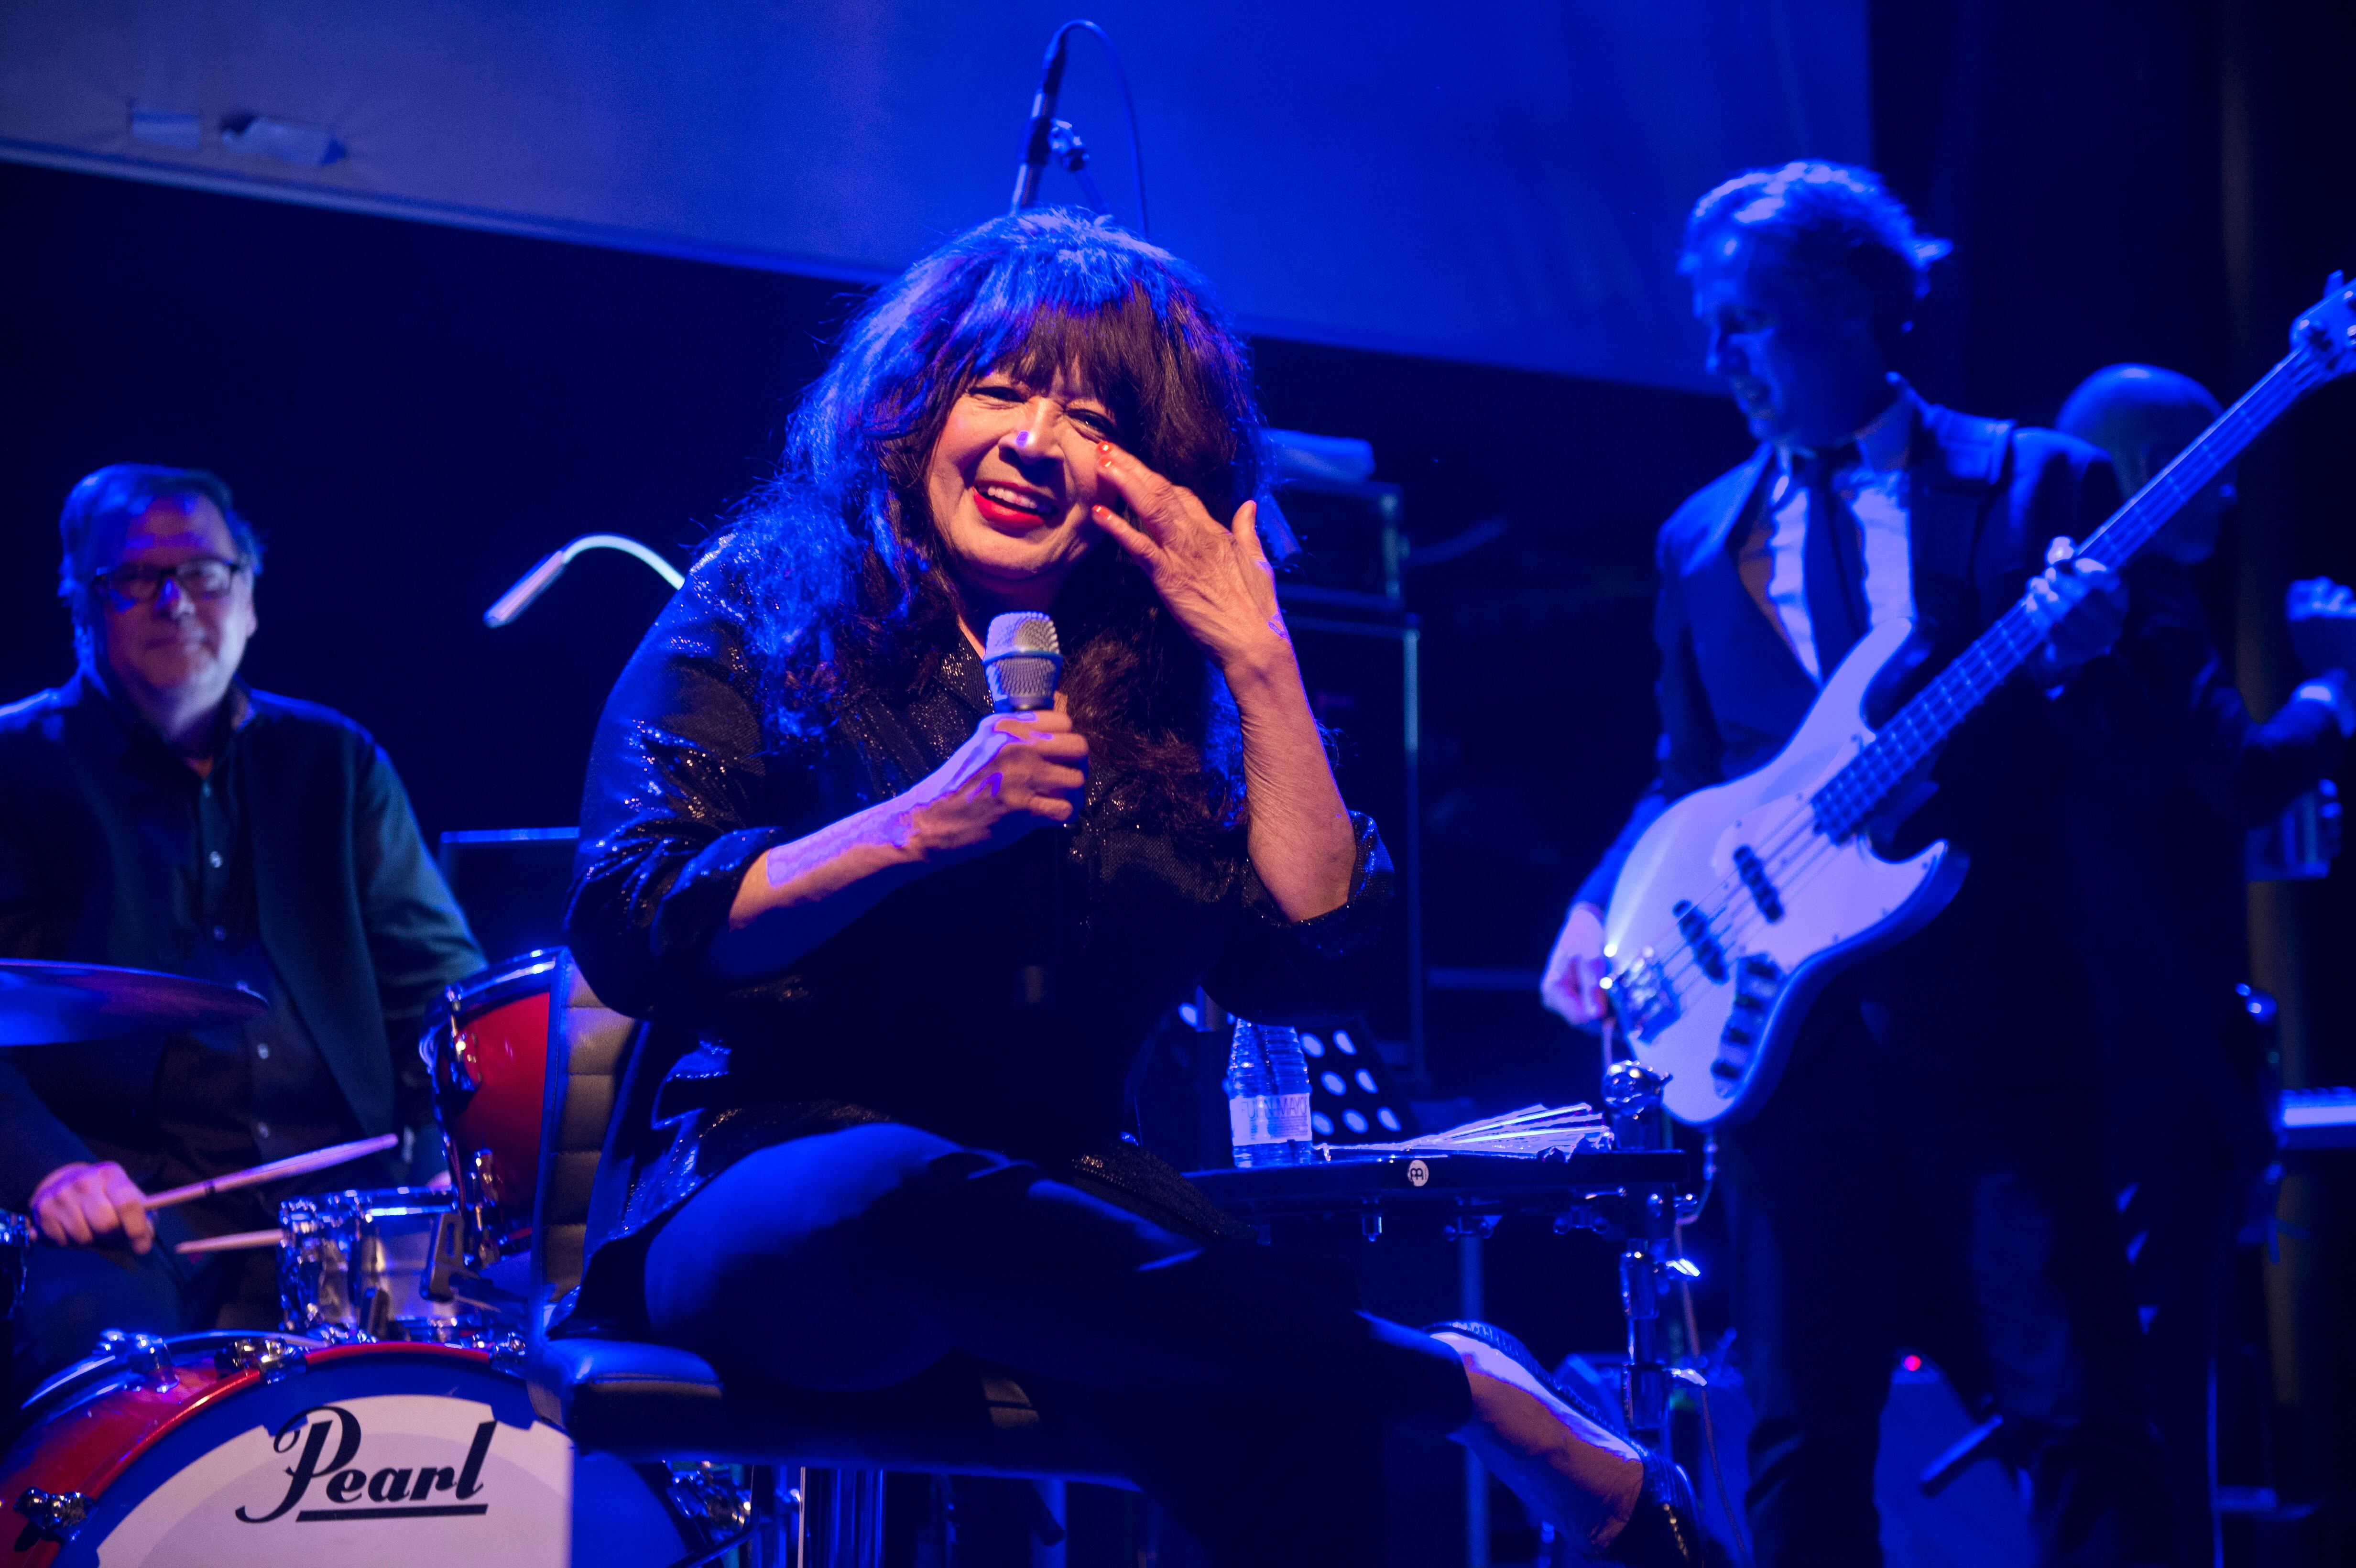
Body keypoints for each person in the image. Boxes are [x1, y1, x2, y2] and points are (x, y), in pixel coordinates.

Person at [560, 209, 1698, 1565]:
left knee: (1294, 1421)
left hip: (1073, 1205)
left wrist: (1259, 652)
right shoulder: (770, 597)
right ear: (913, 408)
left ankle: (1455, 1406)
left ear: (1156, 477)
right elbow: (634, 919)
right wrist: (917, 827)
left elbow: (1309, 942)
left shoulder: (1159, 686)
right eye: (1001, 390)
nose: (1039, 443)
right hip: (773, 1180)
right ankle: (1472, 1390)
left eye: (1097, 421)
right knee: (901, 1191)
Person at [1539, 164, 2169, 1565]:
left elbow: (2160, 761)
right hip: (1787, 1057)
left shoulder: (2035, 483)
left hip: (1995, 1036)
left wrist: (2086, 665)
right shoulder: (1698, 536)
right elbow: (1691, 775)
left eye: (1746, 323)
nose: (1719, 361)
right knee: (1799, 1437)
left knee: (2076, 1410)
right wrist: (1599, 899)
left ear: (1850, 311)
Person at [0, 465, 483, 1394]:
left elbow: (444, 995)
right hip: (132, 1210)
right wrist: (52, 1170)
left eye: (207, 572)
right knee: (84, 1335)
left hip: (346, 1206)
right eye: (137, 576)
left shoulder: (336, 761)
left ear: (250, 597)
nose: (177, 599)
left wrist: (451, 1153)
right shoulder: (15, 771)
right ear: (80, 603)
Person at [2054, 363, 2352, 1568]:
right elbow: (2240, 778)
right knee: (2170, 1385)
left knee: (2107, 1382)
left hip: (2085, 1038)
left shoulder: (2064, 630)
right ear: (2142, 473)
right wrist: (2334, 682)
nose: (2226, 487)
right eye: (2201, 454)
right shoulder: (2156, 602)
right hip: (2162, 1050)